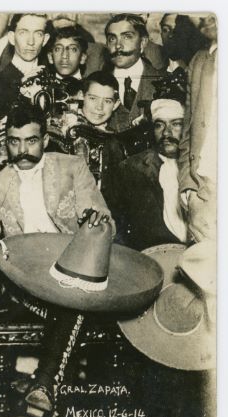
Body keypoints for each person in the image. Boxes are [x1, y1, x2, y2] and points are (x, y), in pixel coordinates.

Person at [0, 104, 113, 417]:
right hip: (26, 280)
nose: (22, 150)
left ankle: (45, 385)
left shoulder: (72, 167)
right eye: (14, 142)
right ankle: (56, 406)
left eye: (31, 141)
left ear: (45, 140)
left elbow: (99, 213)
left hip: (74, 268)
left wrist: (92, 220)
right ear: (6, 143)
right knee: (73, 305)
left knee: (73, 296)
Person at [108, 94, 189, 250]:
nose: (166, 133)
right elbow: (118, 228)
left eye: (176, 124)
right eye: (159, 125)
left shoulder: (202, 167)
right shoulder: (131, 168)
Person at [178, 13, 217, 244]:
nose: (201, 15)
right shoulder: (200, 60)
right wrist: (190, 192)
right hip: (203, 197)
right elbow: (188, 135)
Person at [103, 14, 163, 132]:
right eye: (112, 39)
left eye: (127, 37)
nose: (118, 46)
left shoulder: (163, 81)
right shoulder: (96, 83)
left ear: (143, 42)